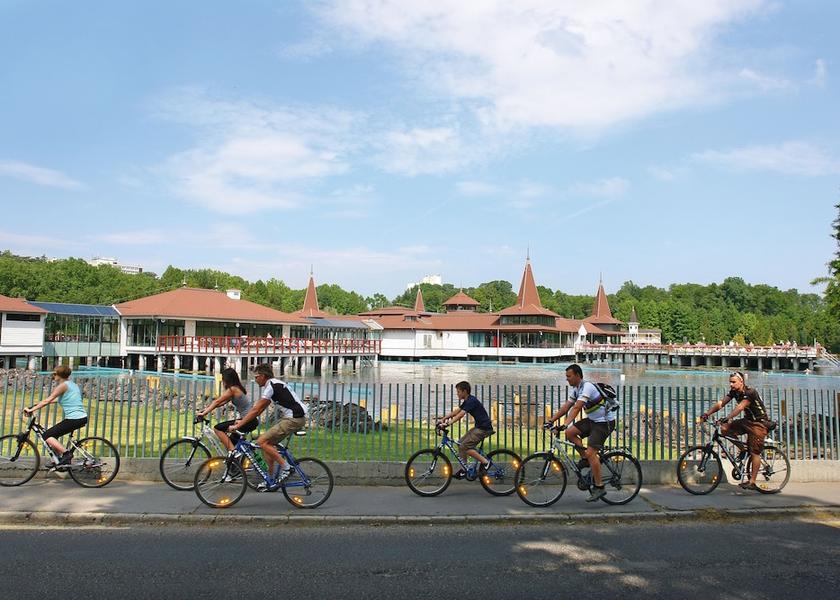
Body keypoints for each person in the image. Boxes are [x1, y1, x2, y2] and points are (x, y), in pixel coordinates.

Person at [544, 364, 616, 502]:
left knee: (591, 452)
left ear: (577, 375)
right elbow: (567, 406)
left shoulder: (587, 387)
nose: (567, 379)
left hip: (604, 423)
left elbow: (577, 407)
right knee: (570, 433)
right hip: (593, 420)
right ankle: (586, 460)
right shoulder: (577, 389)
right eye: (566, 377)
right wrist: (551, 420)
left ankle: (599, 487)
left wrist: (565, 424)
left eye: (569, 376)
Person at [231, 363, 307, 491]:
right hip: (295, 418)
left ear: (263, 376)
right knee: (267, 445)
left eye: (256, 377)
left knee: (261, 441)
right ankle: (270, 480)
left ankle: (287, 468)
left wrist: (239, 425)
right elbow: (259, 410)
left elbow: (256, 409)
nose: (255, 380)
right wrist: (244, 420)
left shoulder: (270, 385)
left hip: (293, 419)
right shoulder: (274, 384)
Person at [700, 371, 771, 491]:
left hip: (759, 423)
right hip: (747, 421)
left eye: (733, 382)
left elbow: (740, 407)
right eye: (730, 382)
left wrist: (728, 418)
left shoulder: (750, 392)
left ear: (741, 381)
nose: (731, 385)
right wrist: (707, 413)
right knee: (724, 429)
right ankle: (743, 449)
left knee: (755, 452)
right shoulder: (734, 392)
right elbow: (721, 403)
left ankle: (752, 481)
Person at [23, 365, 88, 469]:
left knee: (46, 435)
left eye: (54, 374)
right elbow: (56, 400)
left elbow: (48, 400)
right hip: (80, 418)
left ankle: (67, 454)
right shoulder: (72, 385)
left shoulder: (62, 386)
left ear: (60, 375)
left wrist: (31, 410)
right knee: (53, 435)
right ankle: (56, 460)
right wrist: (35, 405)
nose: (53, 376)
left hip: (74, 418)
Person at [436, 381, 494, 478]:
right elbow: (457, 411)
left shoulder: (471, 401)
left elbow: (461, 415)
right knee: (460, 443)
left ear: (465, 391)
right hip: (479, 427)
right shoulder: (468, 400)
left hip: (483, 428)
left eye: (458, 392)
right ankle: (464, 469)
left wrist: (448, 423)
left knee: (465, 446)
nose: (457, 394)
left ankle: (486, 462)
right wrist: (444, 418)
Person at [195, 367, 258, 453]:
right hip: (249, 420)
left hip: (247, 421)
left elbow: (217, 401)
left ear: (227, 379)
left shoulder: (232, 390)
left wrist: (204, 413)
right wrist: (205, 410)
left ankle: (234, 455)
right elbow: (221, 403)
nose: (223, 381)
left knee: (218, 429)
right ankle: (234, 461)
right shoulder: (237, 388)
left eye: (223, 379)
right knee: (230, 442)